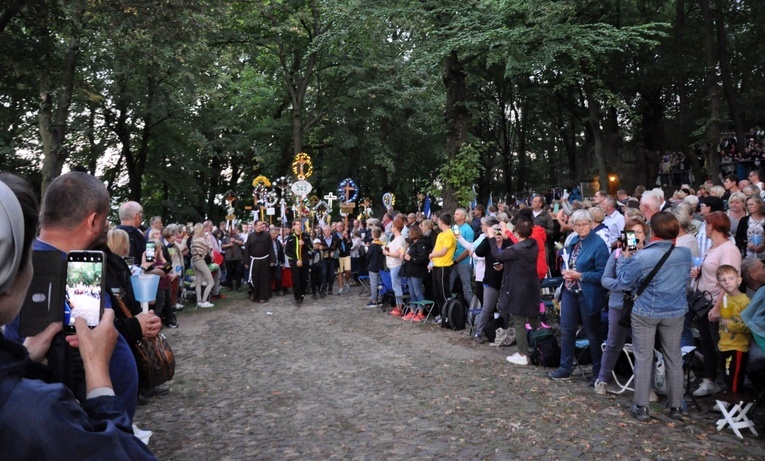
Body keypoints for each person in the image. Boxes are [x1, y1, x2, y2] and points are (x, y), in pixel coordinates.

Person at [0, 173, 158, 459]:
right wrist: (100, 379)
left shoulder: (59, 261)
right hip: (85, 428)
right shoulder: (37, 410)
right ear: (94, 221)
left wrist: (26, 359)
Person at [617, 212, 691, 421]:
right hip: (675, 311)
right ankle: (676, 406)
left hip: (646, 311)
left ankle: (642, 406)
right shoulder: (684, 254)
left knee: (643, 357)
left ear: (653, 231)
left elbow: (624, 282)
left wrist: (625, 255)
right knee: (674, 357)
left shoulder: (642, 256)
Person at [594, 218, 657, 402]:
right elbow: (605, 279)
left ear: (644, 234)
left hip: (642, 306)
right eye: (632, 233)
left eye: (639, 232)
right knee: (614, 343)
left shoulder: (649, 255)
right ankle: (603, 380)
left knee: (644, 347)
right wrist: (622, 285)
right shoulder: (617, 255)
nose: (636, 236)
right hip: (619, 305)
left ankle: (648, 386)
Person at [548, 209, 609, 381]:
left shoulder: (598, 244)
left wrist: (580, 275)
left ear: (591, 224)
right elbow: (568, 262)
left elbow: (603, 273)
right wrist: (565, 272)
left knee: (593, 333)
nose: (581, 228)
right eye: (577, 225)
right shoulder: (574, 241)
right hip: (570, 290)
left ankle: (598, 373)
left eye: (584, 224)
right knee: (567, 330)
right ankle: (565, 367)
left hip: (588, 293)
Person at [691, 211, 742, 397]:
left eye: (706, 224)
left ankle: (727, 386)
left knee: (719, 345)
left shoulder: (728, 249)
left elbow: (728, 281)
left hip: (716, 303)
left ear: (712, 226)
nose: (705, 227)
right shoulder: (713, 247)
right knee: (707, 343)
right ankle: (709, 379)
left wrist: (717, 306)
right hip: (704, 302)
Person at [487, 219, 539, 365]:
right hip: (531, 286)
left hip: (518, 288)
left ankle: (523, 354)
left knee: (519, 321)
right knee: (534, 319)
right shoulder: (532, 245)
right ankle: (541, 346)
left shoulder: (516, 249)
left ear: (517, 232)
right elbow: (517, 260)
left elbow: (498, 255)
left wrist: (491, 237)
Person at [715, 265, 752, 393]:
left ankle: (734, 407)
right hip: (724, 344)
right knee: (726, 376)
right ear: (719, 284)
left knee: (735, 378)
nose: (727, 282)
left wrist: (730, 325)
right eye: (723, 279)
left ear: (739, 280)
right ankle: (730, 404)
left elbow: (749, 326)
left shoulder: (744, 301)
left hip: (738, 346)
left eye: (731, 278)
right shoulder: (724, 299)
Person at [429, 214, 456, 318]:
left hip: (444, 266)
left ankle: (449, 314)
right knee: (437, 291)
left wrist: (432, 255)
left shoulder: (449, 234)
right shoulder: (440, 234)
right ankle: (442, 313)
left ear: (442, 221)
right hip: (436, 265)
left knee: (444, 291)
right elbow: (436, 249)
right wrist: (431, 262)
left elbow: (443, 252)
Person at [401, 224, 429, 321]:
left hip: (417, 271)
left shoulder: (421, 244)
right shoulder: (413, 244)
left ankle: (420, 312)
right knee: (412, 292)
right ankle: (412, 310)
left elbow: (422, 259)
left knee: (418, 291)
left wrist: (411, 258)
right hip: (410, 270)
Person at [243, 221, 276, 303]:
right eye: (260, 225)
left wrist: (272, 260)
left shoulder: (267, 235)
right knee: (255, 278)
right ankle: (255, 295)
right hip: (254, 261)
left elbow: (270, 248)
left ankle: (263, 296)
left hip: (265, 260)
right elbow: (247, 249)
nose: (262, 226)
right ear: (255, 226)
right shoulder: (251, 236)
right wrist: (246, 262)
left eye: (262, 225)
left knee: (264, 279)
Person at [383, 218, 407, 317]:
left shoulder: (400, 239)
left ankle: (399, 307)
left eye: (392, 226)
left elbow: (398, 253)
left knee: (396, 287)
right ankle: (398, 306)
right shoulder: (395, 238)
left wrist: (387, 253)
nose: (391, 228)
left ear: (396, 227)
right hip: (392, 265)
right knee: (395, 286)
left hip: (396, 265)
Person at [450, 208, 475, 303]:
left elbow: (468, 248)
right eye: (455, 214)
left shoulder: (468, 230)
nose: (454, 215)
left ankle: (470, 308)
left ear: (463, 217)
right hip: (452, 260)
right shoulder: (454, 228)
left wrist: (457, 260)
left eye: (457, 214)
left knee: (466, 286)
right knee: (449, 283)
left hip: (463, 262)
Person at [190, 223, 215, 309]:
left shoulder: (193, 239)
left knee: (198, 282)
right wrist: (208, 240)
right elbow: (210, 248)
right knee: (211, 282)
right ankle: (204, 301)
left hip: (195, 261)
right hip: (201, 260)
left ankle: (199, 301)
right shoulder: (201, 239)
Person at [735, 194, 765, 259]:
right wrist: (747, 244)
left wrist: (764, 245)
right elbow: (738, 238)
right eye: (747, 205)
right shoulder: (744, 220)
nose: (749, 207)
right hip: (748, 256)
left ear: (759, 204)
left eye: (751, 204)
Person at [316, 225, 340, 297]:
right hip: (323, 259)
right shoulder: (320, 239)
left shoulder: (335, 239)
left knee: (332, 274)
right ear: (323, 231)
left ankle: (330, 289)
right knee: (324, 273)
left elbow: (338, 247)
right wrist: (319, 248)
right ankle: (323, 289)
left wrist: (334, 253)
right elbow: (315, 248)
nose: (327, 232)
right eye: (326, 230)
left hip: (332, 259)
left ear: (330, 231)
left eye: (328, 230)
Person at [365, 228, 385, 307]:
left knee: (373, 283)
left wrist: (367, 250)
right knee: (379, 283)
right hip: (380, 266)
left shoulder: (372, 245)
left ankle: (374, 300)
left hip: (373, 266)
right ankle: (380, 299)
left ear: (373, 235)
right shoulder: (382, 245)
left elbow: (368, 256)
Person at [221, 226, 244, 292]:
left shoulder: (238, 236)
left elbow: (242, 243)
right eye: (230, 228)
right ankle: (229, 286)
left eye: (233, 228)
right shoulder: (225, 237)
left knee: (238, 272)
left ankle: (238, 286)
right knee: (229, 272)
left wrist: (235, 241)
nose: (232, 230)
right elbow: (222, 246)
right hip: (229, 258)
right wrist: (228, 245)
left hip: (237, 257)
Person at [335, 221, 353, 295]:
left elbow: (351, 244)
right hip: (339, 255)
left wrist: (347, 238)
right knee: (340, 272)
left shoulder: (346, 233)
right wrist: (341, 238)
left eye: (341, 226)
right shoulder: (334, 235)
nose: (339, 227)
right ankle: (341, 288)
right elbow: (335, 244)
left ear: (343, 227)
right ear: (336, 228)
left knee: (348, 270)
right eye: (338, 226)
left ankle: (347, 282)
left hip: (346, 254)